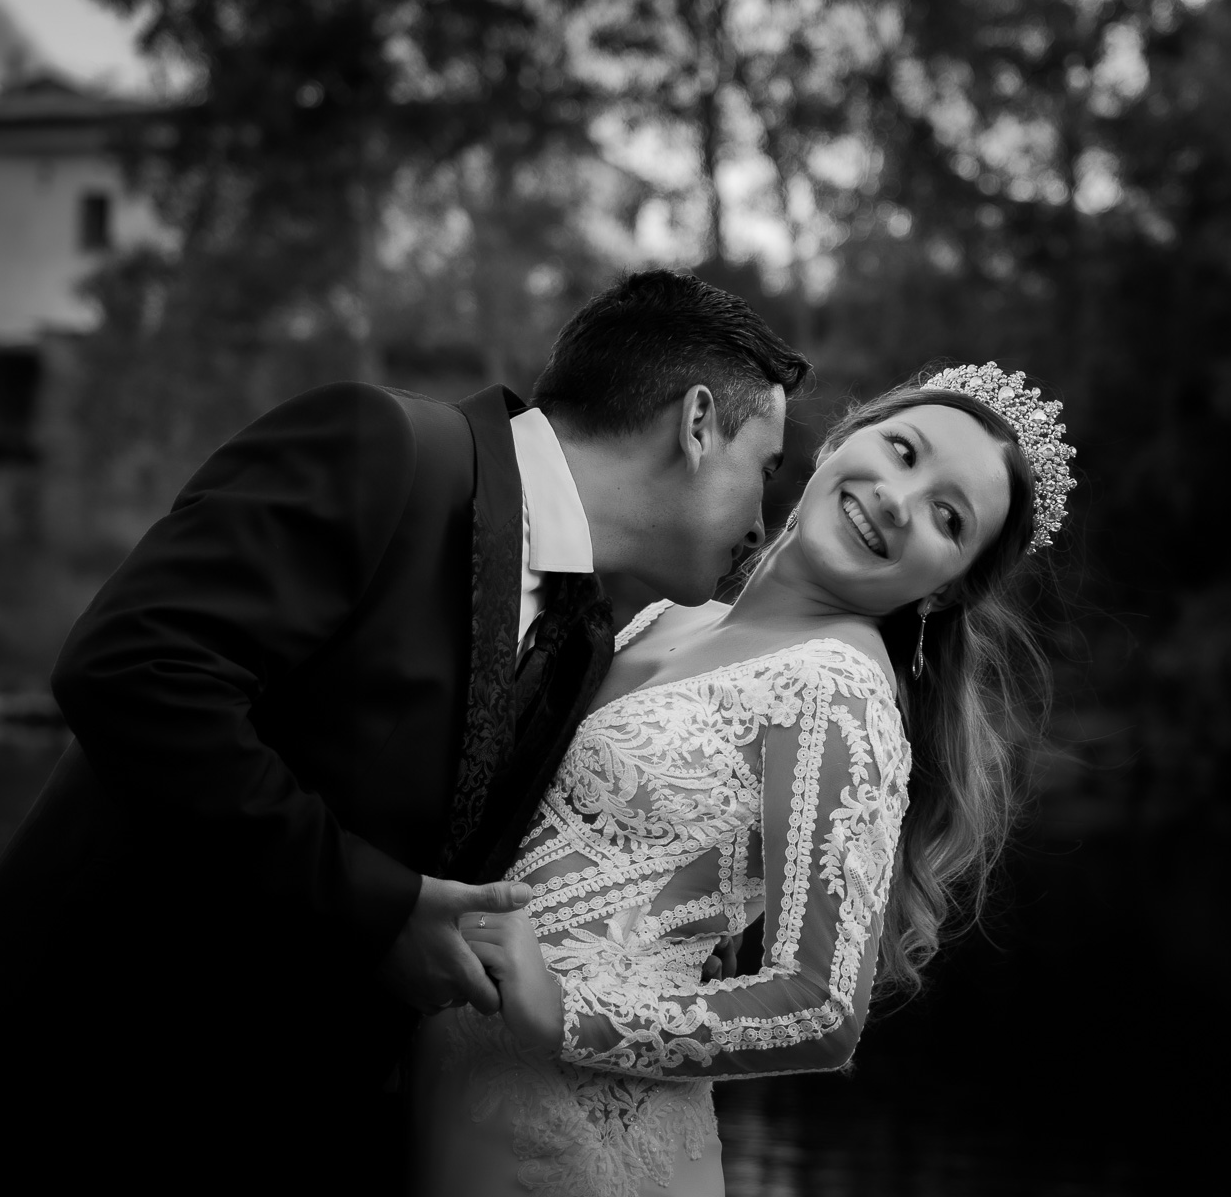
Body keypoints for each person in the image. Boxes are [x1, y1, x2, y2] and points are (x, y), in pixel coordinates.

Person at [0, 270, 808, 1194]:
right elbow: (134, 673)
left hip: (283, 1135)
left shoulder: (583, 632)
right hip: (83, 1107)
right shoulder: (379, 448)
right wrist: (376, 906)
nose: (763, 519)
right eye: (763, 468)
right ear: (694, 424)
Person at [413, 362, 1076, 1197]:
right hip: (454, 1075)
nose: (899, 501)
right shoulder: (676, 616)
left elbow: (820, 1010)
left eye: (948, 516)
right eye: (902, 451)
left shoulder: (838, 686)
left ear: (946, 591)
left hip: (576, 1130)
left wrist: (570, 1016)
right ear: (841, 440)